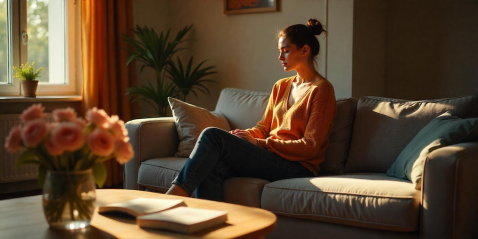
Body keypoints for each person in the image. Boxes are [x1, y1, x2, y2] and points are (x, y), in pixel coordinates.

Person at [166, 19, 337, 201]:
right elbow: (264, 129)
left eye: (286, 51)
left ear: (304, 50)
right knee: (210, 167)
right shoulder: (281, 86)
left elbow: (310, 147)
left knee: (212, 135)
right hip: (270, 157)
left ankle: (173, 197)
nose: (280, 58)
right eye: (279, 52)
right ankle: (209, 225)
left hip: (297, 167)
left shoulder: (322, 90)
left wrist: (260, 144)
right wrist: (241, 135)